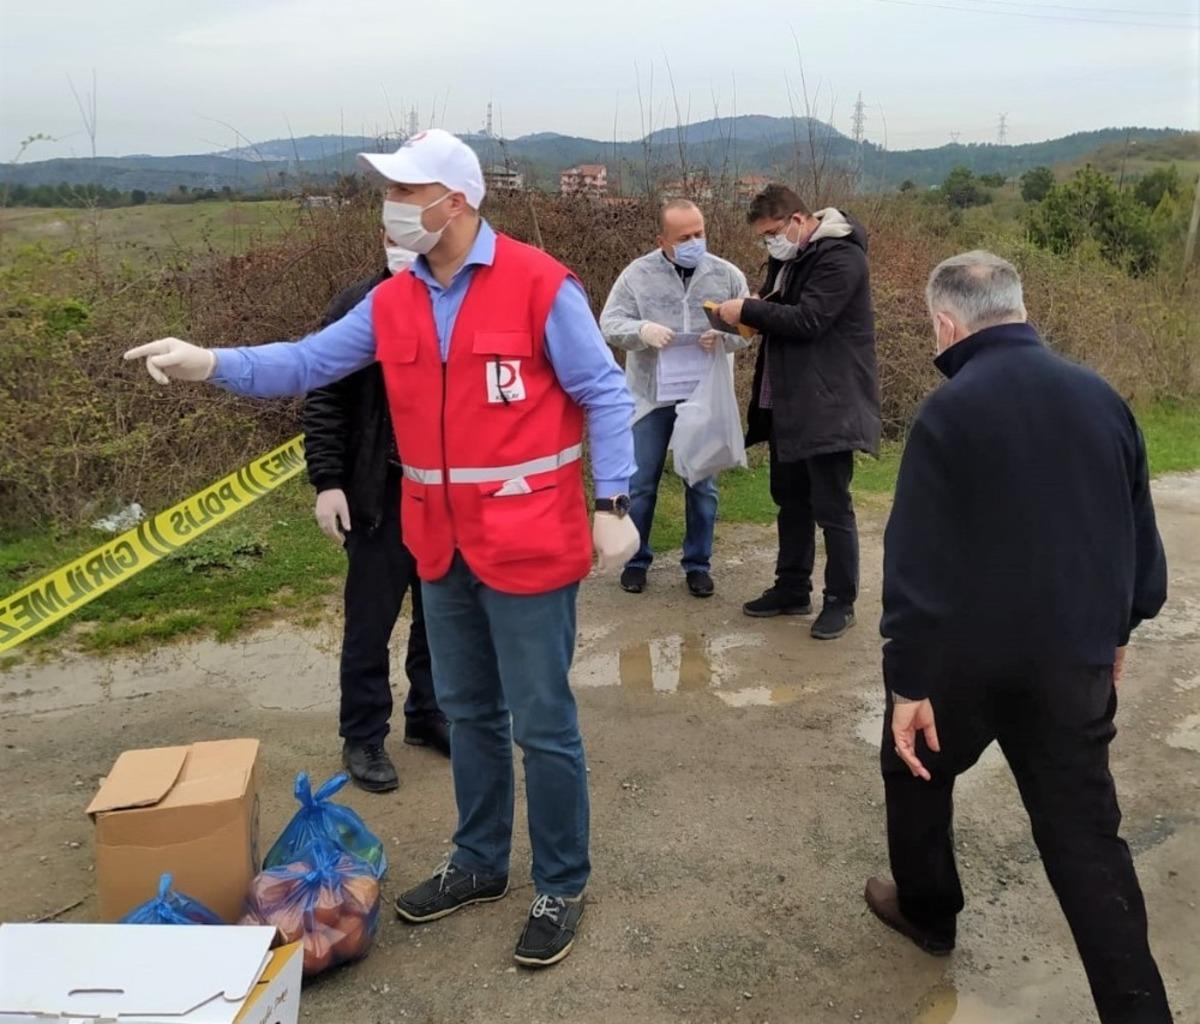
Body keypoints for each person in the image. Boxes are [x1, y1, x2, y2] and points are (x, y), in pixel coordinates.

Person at [124, 129, 639, 969]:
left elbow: (604, 394)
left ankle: (560, 881)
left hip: (528, 539)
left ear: (458, 201)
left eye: (408, 193)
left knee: (542, 724)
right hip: (436, 541)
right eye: (391, 193)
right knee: (469, 713)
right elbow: (306, 362)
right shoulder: (393, 299)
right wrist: (209, 361)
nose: (394, 208)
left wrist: (614, 500)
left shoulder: (541, 286)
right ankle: (478, 862)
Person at [866, 251, 1171, 1024]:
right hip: (1072, 663)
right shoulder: (1102, 398)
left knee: (914, 769)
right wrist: (1122, 628)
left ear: (946, 323)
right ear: (1019, 307)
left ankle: (929, 914)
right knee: (1087, 841)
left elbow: (915, 561)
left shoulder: (950, 410)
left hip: (961, 667)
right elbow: (1137, 534)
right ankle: (1140, 1013)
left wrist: (907, 680)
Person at [302, 230, 449, 794]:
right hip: (378, 490)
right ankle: (362, 734)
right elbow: (322, 392)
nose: (405, 245)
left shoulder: (457, 305)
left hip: (443, 493)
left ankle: (428, 713)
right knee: (370, 620)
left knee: (438, 613)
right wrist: (328, 482)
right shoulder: (358, 305)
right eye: (393, 235)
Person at [715, 184, 880, 640]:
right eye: (763, 237)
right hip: (787, 399)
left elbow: (810, 320)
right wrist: (749, 314)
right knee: (790, 500)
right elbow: (779, 309)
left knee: (832, 506)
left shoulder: (841, 257)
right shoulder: (789, 258)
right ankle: (791, 588)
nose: (769, 242)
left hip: (829, 401)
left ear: (799, 220)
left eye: (773, 232)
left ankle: (840, 601)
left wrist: (748, 308)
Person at [600, 199, 749, 598]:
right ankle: (636, 560)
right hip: (651, 396)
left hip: (703, 396)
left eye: (699, 233)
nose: (694, 242)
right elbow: (609, 322)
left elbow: (750, 330)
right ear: (662, 240)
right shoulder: (638, 275)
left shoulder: (727, 274)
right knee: (641, 481)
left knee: (702, 482)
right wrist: (643, 330)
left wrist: (724, 337)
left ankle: (698, 564)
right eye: (684, 237)